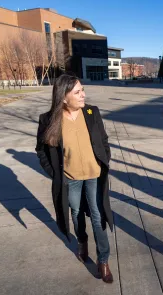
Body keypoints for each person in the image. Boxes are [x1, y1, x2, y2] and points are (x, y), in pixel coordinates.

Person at [35, 74, 114, 283]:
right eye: (77, 92)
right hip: (71, 179)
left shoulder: (92, 112)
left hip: (95, 175)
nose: (83, 95)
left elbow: (104, 141)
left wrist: (105, 159)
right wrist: (55, 174)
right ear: (63, 97)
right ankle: (82, 242)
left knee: (98, 216)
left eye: (82, 90)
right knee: (77, 212)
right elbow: (41, 151)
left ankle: (103, 260)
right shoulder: (48, 120)